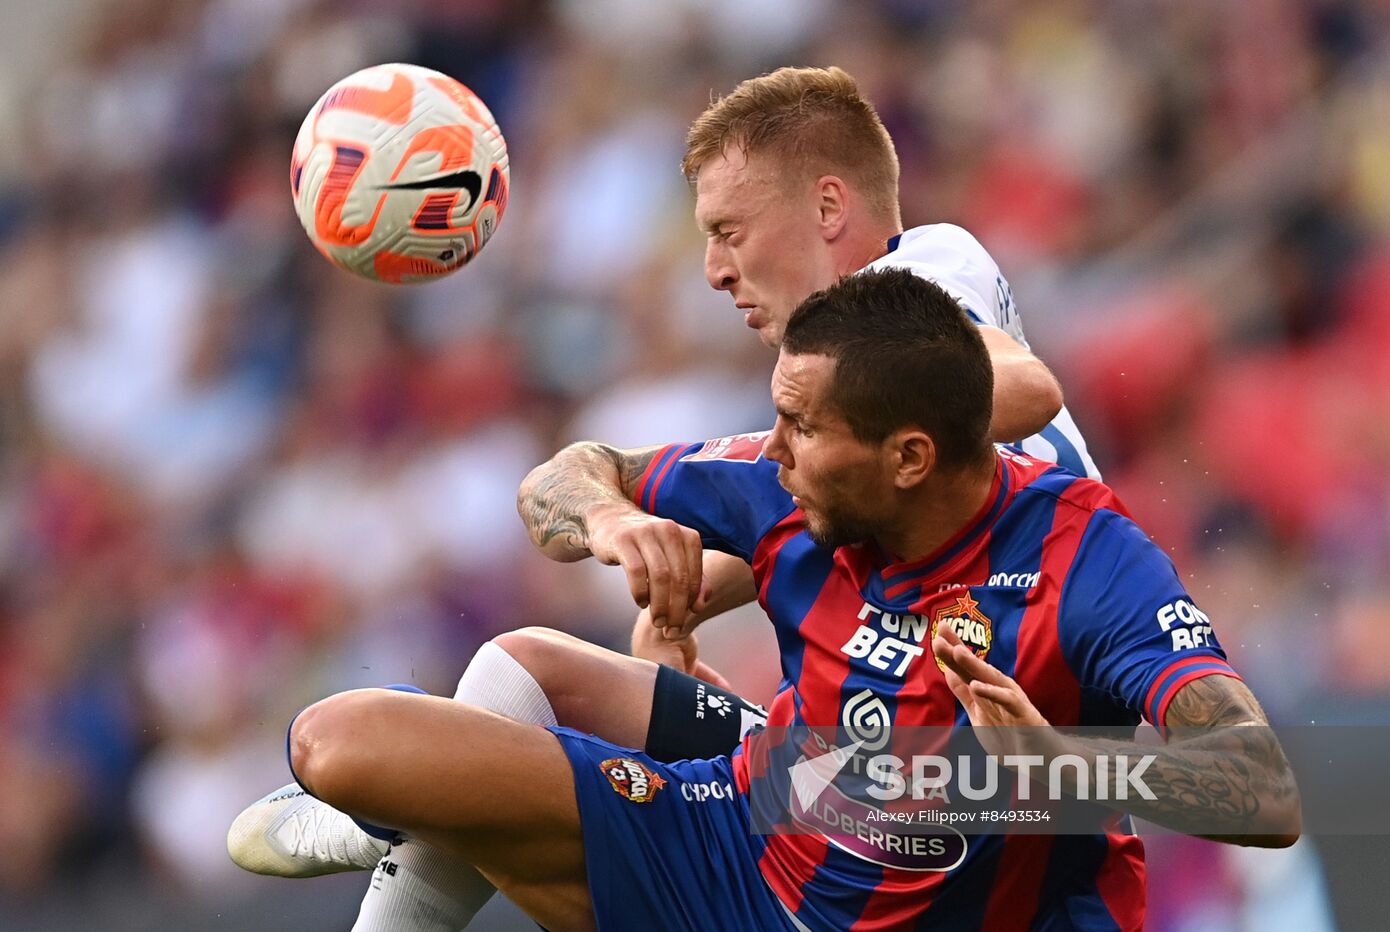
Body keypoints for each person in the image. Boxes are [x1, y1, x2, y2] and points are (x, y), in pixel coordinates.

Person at [229, 66, 1094, 929]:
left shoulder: (926, 271)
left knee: (357, 744)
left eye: (730, 231)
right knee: (522, 669)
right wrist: (641, 548)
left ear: (830, 209)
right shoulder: (835, 425)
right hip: (842, 775)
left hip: (954, 817)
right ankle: (407, 822)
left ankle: (399, 811)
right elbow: (564, 494)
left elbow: (1027, 386)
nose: (715, 271)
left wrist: (782, 454)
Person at [280, 269, 1299, 932]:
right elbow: (566, 475)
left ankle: (416, 835)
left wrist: (1054, 769)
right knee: (342, 741)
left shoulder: (1085, 559)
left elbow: (1258, 788)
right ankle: (403, 830)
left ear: (907, 456)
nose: (765, 450)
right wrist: (608, 519)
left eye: (796, 426)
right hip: (742, 842)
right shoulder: (780, 482)